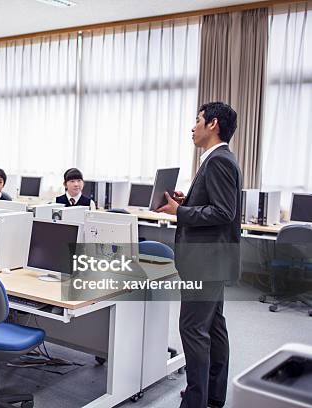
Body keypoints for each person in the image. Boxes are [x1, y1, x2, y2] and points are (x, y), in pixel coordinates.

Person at [156, 102, 241, 408]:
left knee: (192, 329)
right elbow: (217, 205)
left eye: (198, 121)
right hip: (214, 260)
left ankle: (195, 401)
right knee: (213, 327)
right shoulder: (218, 159)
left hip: (205, 262)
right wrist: (186, 201)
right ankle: (212, 396)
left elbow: (222, 211)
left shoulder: (218, 161)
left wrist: (181, 211)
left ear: (213, 124)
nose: (193, 127)